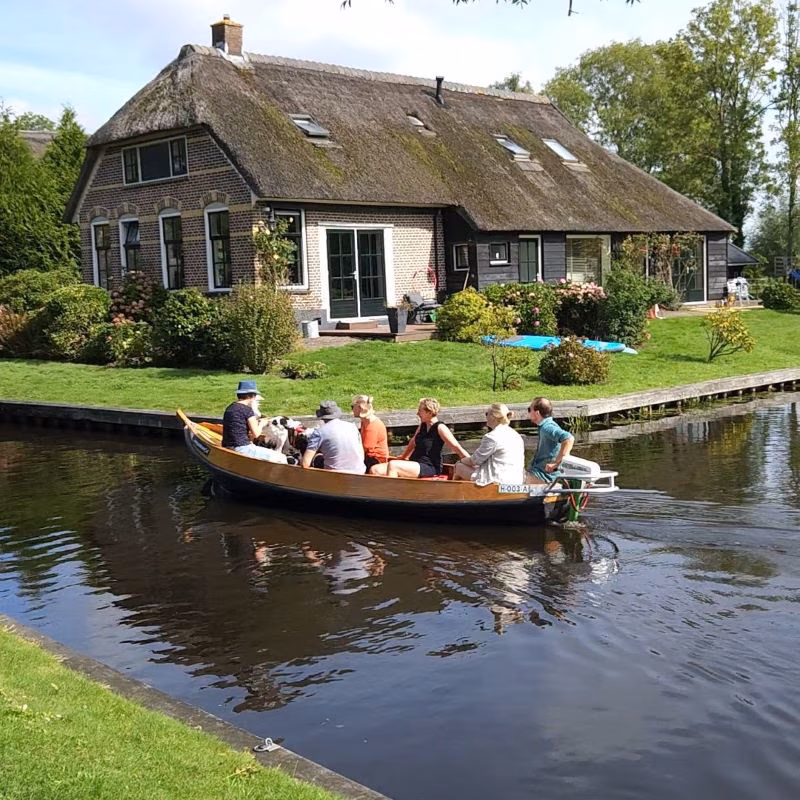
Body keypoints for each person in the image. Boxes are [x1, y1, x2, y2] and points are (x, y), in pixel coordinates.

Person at [369, 397, 469, 478]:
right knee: (375, 470)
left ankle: (391, 495)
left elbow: (456, 447)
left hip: (429, 467)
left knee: (393, 466)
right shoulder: (423, 425)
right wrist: (403, 457)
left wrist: (472, 462)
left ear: (429, 412)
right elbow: (413, 442)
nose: (417, 413)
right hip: (414, 463)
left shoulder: (440, 427)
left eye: (420, 411)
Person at [454, 402, 525, 486]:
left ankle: (454, 494)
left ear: (493, 416)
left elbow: (474, 461)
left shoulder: (491, 437)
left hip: (497, 481)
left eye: (487, 414)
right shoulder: (516, 435)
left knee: (458, 466)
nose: (486, 417)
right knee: (475, 468)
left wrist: (461, 461)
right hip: (516, 481)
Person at [221, 380, 287, 463]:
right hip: (241, 448)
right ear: (251, 396)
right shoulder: (247, 410)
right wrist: (262, 424)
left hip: (227, 445)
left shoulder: (230, 407)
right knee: (281, 457)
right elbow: (256, 434)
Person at [302, 400, 366, 474]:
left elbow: (305, 464)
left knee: (318, 458)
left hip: (334, 476)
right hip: (359, 472)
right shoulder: (353, 427)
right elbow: (361, 454)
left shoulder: (319, 432)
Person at [527, 396, 574, 484]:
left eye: (530, 409)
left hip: (545, 477)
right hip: (540, 474)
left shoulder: (547, 427)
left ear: (537, 413)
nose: (529, 412)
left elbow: (568, 438)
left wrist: (557, 463)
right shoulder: (545, 426)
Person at [352, 394, 389, 471]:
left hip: (376, 460)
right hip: (368, 457)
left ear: (360, 408)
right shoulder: (365, 422)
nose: (352, 409)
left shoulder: (372, 425)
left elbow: (366, 447)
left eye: (352, 407)